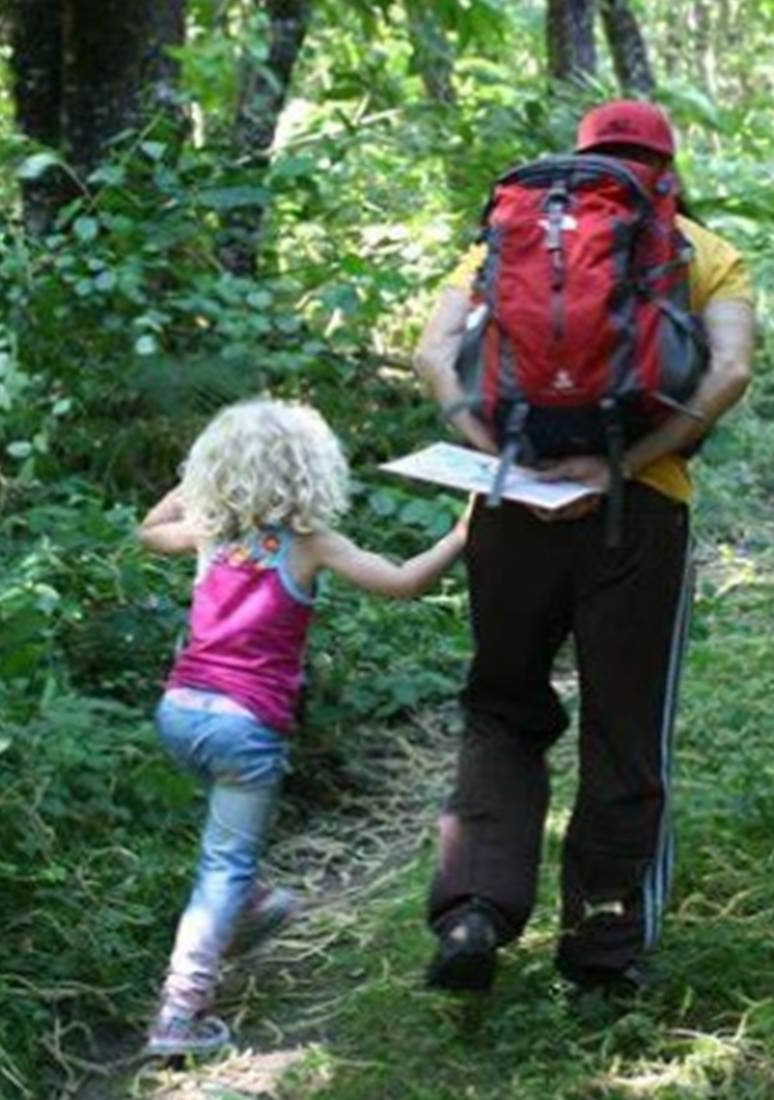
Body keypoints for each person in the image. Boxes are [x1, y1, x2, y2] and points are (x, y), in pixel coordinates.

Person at [413, 100, 756, 994]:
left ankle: (474, 911)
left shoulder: (512, 232)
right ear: (667, 166)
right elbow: (732, 371)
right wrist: (625, 463)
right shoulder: (699, 249)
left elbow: (433, 354)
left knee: (501, 704)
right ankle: (603, 946)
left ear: (582, 158)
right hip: (638, 514)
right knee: (627, 726)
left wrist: (496, 457)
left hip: (511, 509)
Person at [137, 398, 468, 1056]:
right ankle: (178, 1014)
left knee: (226, 851)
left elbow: (150, 530)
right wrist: (461, 537)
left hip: (179, 713)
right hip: (243, 725)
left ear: (219, 470)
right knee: (223, 865)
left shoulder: (208, 530)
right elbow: (401, 583)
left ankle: (244, 908)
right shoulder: (311, 544)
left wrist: (199, 488)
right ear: (312, 473)